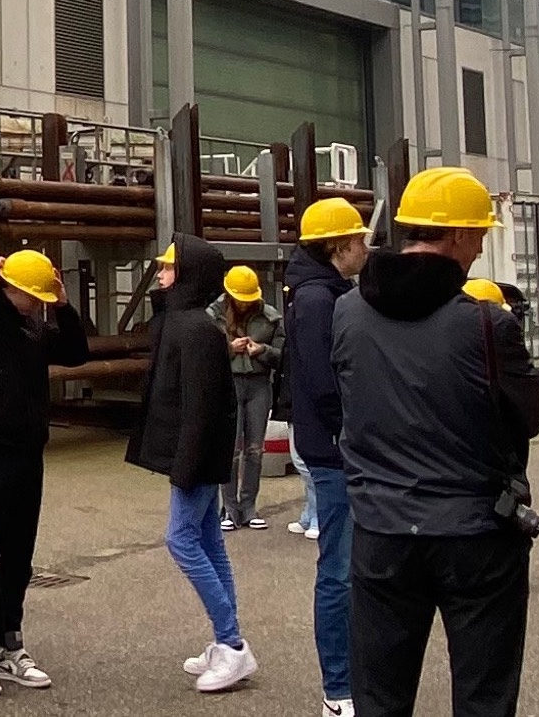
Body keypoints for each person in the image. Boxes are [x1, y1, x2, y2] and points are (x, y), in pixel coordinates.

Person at [332, 166, 539, 717]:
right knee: (483, 694)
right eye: (478, 235)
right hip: (473, 533)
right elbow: (533, 414)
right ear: (456, 236)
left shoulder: (347, 310)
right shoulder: (486, 324)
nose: (479, 249)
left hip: (380, 528)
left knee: (380, 695)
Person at [0, 247, 91, 697]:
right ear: (11, 290)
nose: (38, 303)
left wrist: (66, 306)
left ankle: (9, 639)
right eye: (34, 295)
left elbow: (75, 352)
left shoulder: (34, 328)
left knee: (18, 553)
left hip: (28, 451)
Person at [134, 237, 254, 692]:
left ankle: (233, 644)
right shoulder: (186, 323)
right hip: (197, 457)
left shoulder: (196, 331)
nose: (160, 274)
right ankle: (228, 642)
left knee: (181, 540)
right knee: (207, 542)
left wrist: (186, 463)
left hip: (197, 457)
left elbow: (202, 407)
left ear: (186, 275)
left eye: (168, 268)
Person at [285, 197, 369, 717]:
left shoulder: (322, 293)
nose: (366, 247)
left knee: (349, 567)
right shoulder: (320, 301)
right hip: (336, 454)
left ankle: (349, 680)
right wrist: (347, 435)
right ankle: (338, 690)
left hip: (333, 449)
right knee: (339, 570)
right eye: (359, 240)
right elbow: (323, 382)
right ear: (339, 247)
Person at [216, 264, 284, 532]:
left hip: (258, 384)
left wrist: (263, 350)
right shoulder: (215, 315)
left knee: (255, 449)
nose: (245, 305)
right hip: (230, 383)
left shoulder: (270, 317)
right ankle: (229, 509)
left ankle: (249, 508)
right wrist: (229, 349)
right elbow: (205, 351)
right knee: (230, 448)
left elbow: (282, 355)